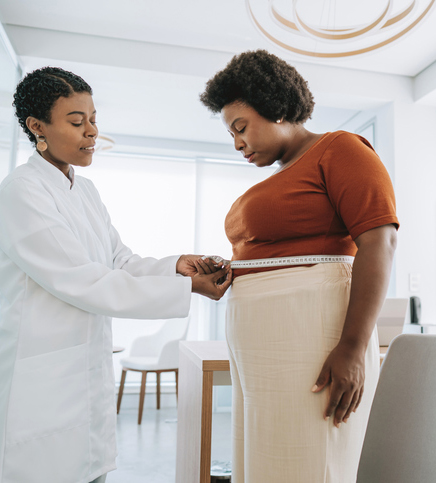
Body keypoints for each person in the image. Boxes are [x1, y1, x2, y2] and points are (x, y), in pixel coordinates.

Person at [0, 67, 232, 483]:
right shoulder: (21, 192)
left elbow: (118, 262)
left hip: (84, 383)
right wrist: (186, 287)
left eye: (94, 120)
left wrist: (176, 266)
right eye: (77, 122)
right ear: (37, 127)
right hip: (39, 387)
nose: (91, 132)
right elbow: (83, 281)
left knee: (90, 471)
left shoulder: (85, 191)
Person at [198, 50, 399, 483]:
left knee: (310, 462)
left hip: (312, 339)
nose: (236, 143)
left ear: (274, 106)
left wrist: (351, 348)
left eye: (240, 127)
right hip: (264, 351)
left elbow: (380, 242)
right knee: (271, 461)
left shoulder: (340, 149)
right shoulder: (282, 176)